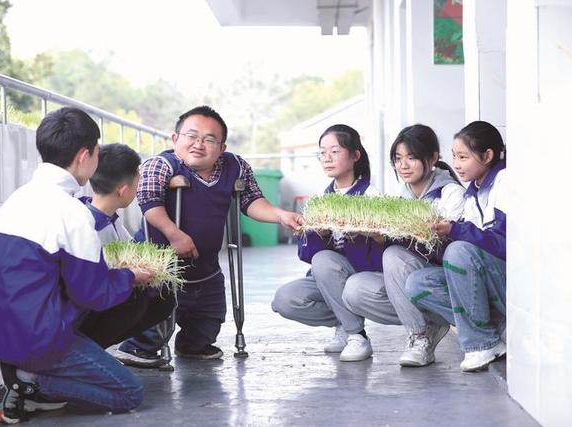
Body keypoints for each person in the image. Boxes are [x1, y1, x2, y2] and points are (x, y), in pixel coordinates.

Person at [0, 108, 152, 424]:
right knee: (129, 393)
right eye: (98, 151)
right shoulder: (72, 214)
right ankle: (24, 383)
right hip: (35, 340)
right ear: (86, 155)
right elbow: (94, 295)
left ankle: (21, 380)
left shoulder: (18, 198)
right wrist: (130, 276)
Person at [119, 105, 303, 362]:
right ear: (175, 139)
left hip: (205, 266)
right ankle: (139, 348)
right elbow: (149, 203)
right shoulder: (160, 165)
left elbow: (251, 200)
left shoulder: (235, 166)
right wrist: (175, 235)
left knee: (210, 315)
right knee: (155, 317)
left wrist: (280, 215)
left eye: (209, 139)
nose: (198, 144)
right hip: (160, 263)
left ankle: (193, 344)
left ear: (222, 148)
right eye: (191, 136)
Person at [341, 124, 465, 367]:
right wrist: (378, 237)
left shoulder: (451, 194)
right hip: (410, 280)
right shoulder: (400, 196)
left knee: (395, 256)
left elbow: (449, 249)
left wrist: (401, 237)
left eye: (411, 158)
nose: (403, 165)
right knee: (354, 289)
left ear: (433, 158)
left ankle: (419, 337)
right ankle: (429, 324)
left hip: (441, 282)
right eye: (398, 159)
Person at [272, 124, 384, 362]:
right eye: (322, 153)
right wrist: (317, 234)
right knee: (284, 300)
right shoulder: (322, 200)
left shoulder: (371, 197)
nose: (327, 159)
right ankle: (344, 324)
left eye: (335, 151)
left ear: (355, 155)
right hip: (327, 277)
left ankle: (357, 335)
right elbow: (306, 255)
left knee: (325, 260)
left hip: (361, 279)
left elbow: (379, 253)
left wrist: (359, 232)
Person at [405, 120, 507, 372]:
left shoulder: (505, 181)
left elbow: (505, 245)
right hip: (488, 281)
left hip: (509, 280)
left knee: (459, 250)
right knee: (418, 283)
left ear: (488, 155)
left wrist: (455, 229)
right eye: (454, 156)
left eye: (463, 157)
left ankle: (480, 344)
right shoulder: (473, 193)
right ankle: (495, 333)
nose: (456, 164)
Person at [77, 143, 175, 369]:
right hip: (80, 308)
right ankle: (83, 352)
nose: (138, 187)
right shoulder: (86, 224)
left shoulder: (109, 218)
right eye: (137, 180)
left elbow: (132, 251)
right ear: (123, 190)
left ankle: (96, 348)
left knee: (162, 294)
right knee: (137, 299)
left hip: (99, 295)